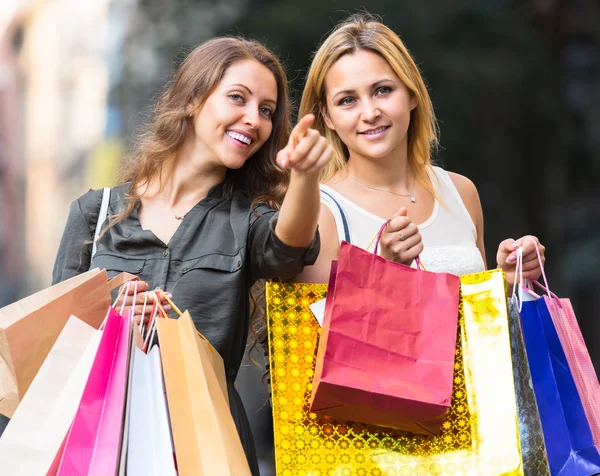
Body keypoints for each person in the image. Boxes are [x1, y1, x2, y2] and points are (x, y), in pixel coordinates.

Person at [52, 37, 332, 475]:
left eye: (266, 110)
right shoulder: (96, 213)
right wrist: (110, 309)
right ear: (193, 99)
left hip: (207, 446)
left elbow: (287, 250)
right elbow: (54, 344)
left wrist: (304, 176)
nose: (254, 119)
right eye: (238, 98)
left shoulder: (248, 218)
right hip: (104, 445)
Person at [295, 13, 546, 284]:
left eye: (382, 90)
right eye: (347, 100)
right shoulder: (319, 211)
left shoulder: (462, 192)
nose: (369, 113)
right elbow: (319, 327)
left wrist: (506, 282)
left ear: (411, 93)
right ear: (327, 116)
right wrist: (383, 268)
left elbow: (476, 322)